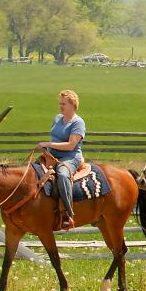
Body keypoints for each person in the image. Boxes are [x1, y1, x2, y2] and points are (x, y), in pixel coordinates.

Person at [39, 89, 85, 228]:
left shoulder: (78, 123)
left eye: (64, 104)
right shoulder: (58, 118)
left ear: (72, 105)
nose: (61, 106)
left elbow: (71, 145)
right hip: (52, 155)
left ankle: (67, 213)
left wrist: (48, 144)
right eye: (60, 103)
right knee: (33, 171)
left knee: (63, 175)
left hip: (70, 157)